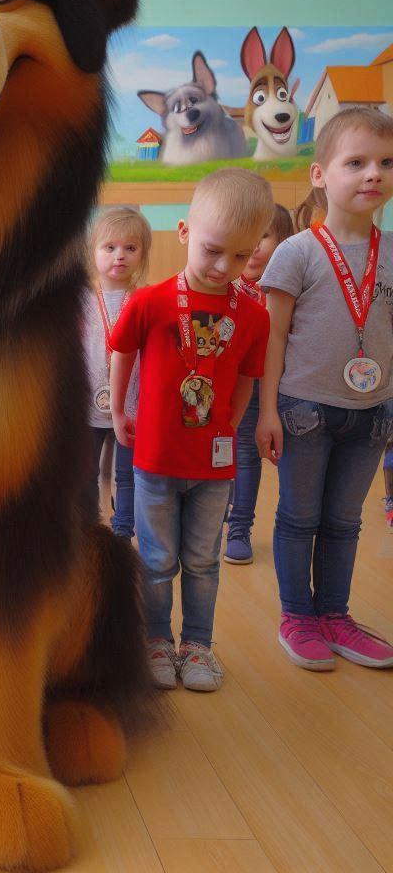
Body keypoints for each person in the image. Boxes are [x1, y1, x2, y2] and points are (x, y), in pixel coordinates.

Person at [110, 169, 272, 692]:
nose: (226, 268)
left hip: (214, 465)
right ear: (184, 232)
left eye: (242, 257)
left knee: (203, 561)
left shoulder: (252, 314)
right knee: (156, 560)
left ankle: (197, 644)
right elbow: (123, 351)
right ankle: (157, 639)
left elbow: (247, 379)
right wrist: (117, 410)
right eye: (212, 250)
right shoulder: (151, 301)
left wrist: (228, 423)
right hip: (155, 459)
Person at [256, 107, 393, 671]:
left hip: (372, 414)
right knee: (299, 517)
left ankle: (335, 615)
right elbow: (273, 338)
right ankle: (297, 616)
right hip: (305, 411)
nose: (373, 174)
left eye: (386, 163)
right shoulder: (298, 252)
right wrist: (266, 412)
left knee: (344, 521)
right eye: (356, 162)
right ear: (320, 175)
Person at [223, 203, 294, 564]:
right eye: (245, 237)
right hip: (231, 387)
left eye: (263, 236)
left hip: (275, 388)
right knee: (232, 454)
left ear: (284, 240)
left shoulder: (291, 288)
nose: (253, 246)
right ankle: (230, 517)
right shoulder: (225, 286)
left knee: (250, 456)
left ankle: (239, 526)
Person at [82, 206, 150, 537]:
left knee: (129, 474)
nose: (119, 256)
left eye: (130, 248)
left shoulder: (145, 300)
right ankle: (88, 529)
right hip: (86, 407)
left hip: (133, 406)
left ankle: (124, 529)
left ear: (143, 254)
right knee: (84, 473)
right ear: (93, 251)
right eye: (109, 248)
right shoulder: (79, 300)